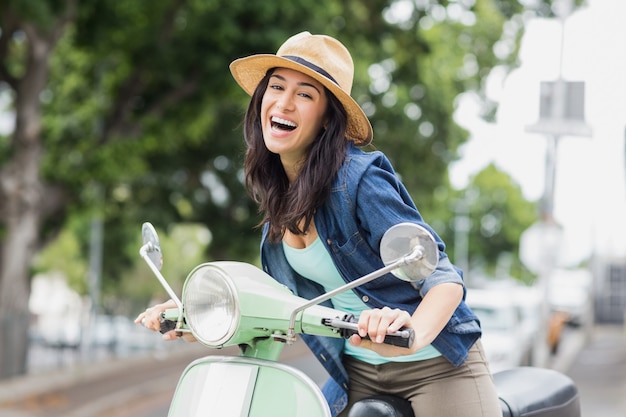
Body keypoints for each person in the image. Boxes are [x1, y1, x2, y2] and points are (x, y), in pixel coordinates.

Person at [136, 31, 501, 417]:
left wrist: (411, 331)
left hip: (436, 369)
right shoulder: (278, 208)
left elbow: (443, 276)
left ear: (328, 117)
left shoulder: (360, 180)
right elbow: (279, 312)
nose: (284, 103)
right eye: (276, 87)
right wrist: (196, 316)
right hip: (356, 373)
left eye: (305, 94)